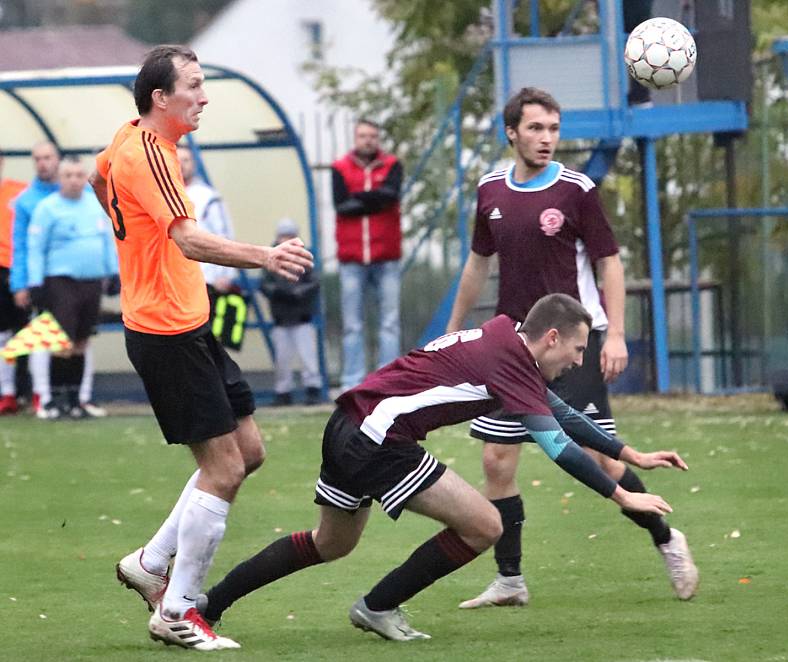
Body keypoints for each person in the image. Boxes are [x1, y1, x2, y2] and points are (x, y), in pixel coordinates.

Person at [195, 294, 688, 643]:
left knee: (332, 543)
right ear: (552, 337)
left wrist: (629, 455)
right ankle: (378, 606)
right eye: (578, 349)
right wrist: (622, 496)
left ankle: (205, 607)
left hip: (349, 422)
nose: (580, 360)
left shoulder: (506, 343)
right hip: (379, 438)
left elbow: (560, 413)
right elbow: (556, 445)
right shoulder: (511, 361)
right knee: (485, 525)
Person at [89, 45, 314, 651]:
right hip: (166, 334)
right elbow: (188, 240)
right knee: (225, 468)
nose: (205, 96)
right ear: (160, 98)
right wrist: (266, 255)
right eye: (193, 85)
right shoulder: (152, 155)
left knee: (249, 450)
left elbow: (96, 177)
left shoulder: (128, 138)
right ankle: (178, 611)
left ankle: (152, 562)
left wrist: (134, 247)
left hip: (188, 323)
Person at [446, 87, 698, 609]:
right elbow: (477, 263)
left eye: (554, 129)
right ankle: (510, 581)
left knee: (598, 459)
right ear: (511, 131)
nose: (547, 139)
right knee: (497, 461)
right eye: (536, 128)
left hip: (570, 347)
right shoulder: (490, 190)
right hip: (511, 349)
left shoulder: (576, 189)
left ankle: (667, 539)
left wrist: (619, 334)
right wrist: (453, 329)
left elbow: (610, 263)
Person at [26, 156, 118, 419]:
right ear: (60, 178)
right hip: (61, 282)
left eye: (79, 175)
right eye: (68, 175)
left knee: (81, 341)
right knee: (61, 342)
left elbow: (106, 242)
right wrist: (35, 282)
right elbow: (36, 249)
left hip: (92, 282)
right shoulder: (48, 208)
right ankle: (55, 400)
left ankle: (76, 400)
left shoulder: (94, 205)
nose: (75, 180)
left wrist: (113, 272)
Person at [332, 119, 403, 390]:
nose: (368, 140)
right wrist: (376, 198)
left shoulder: (392, 165)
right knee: (352, 324)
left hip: (386, 255)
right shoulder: (340, 167)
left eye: (373, 135)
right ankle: (352, 382)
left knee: (389, 322)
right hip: (351, 258)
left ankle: (388, 380)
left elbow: (391, 195)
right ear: (355, 137)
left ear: (378, 138)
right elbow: (342, 206)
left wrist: (359, 198)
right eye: (363, 135)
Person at [10, 141, 60, 414]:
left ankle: (78, 396)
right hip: (40, 280)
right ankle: (42, 394)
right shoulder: (27, 200)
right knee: (41, 334)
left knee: (78, 336)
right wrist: (20, 283)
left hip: (71, 278)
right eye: (38, 158)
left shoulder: (74, 192)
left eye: (48, 157)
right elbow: (20, 245)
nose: (43, 163)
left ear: (57, 159)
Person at [260, 217, 322, 406]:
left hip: (301, 316)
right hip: (281, 315)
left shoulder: (304, 256)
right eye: (282, 236)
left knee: (308, 357)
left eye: (289, 236)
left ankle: (312, 388)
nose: (285, 240)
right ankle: (283, 390)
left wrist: (298, 293)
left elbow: (313, 281)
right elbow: (265, 284)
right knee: (282, 360)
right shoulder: (270, 257)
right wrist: (280, 292)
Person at [177, 145, 238, 301]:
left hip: (205, 278)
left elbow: (223, 235)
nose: (182, 165)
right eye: (177, 160)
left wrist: (225, 274)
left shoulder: (208, 196)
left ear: (194, 164)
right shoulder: (165, 194)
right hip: (175, 280)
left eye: (186, 160)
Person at [0, 148, 28, 414]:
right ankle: (7, 392)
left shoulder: (19, 191)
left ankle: (27, 390)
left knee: (24, 331)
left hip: (15, 269)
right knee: (3, 334)